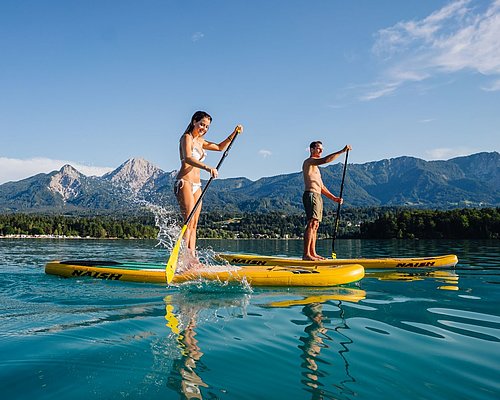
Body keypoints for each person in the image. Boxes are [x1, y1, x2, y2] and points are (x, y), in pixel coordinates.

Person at [174, 110, 242, 263]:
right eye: (201, 124)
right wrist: (207, 168)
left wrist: (234, 132)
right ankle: (185, 258)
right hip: (184, 182)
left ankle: (192, 257)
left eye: (207, 127)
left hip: (197, 185)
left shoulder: (201, 141)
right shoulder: (187, 138)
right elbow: (188, 158)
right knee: (188, 221)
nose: (204, 128)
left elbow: (219, 147)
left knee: (195, 224)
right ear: (194, 122)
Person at [302, 141, 351, 260]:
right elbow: (325, 160)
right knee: (312, 223)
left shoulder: (316, 169)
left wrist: (334, 198)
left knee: (316, 225)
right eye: (319, 149)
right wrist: (341, 151)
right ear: (312, 149)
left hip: (318, 196)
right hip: (311, 194)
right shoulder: (309, 162)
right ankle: (306, 254)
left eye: (321, 149)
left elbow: (322, 187)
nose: (321, 151)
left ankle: (312, 253)